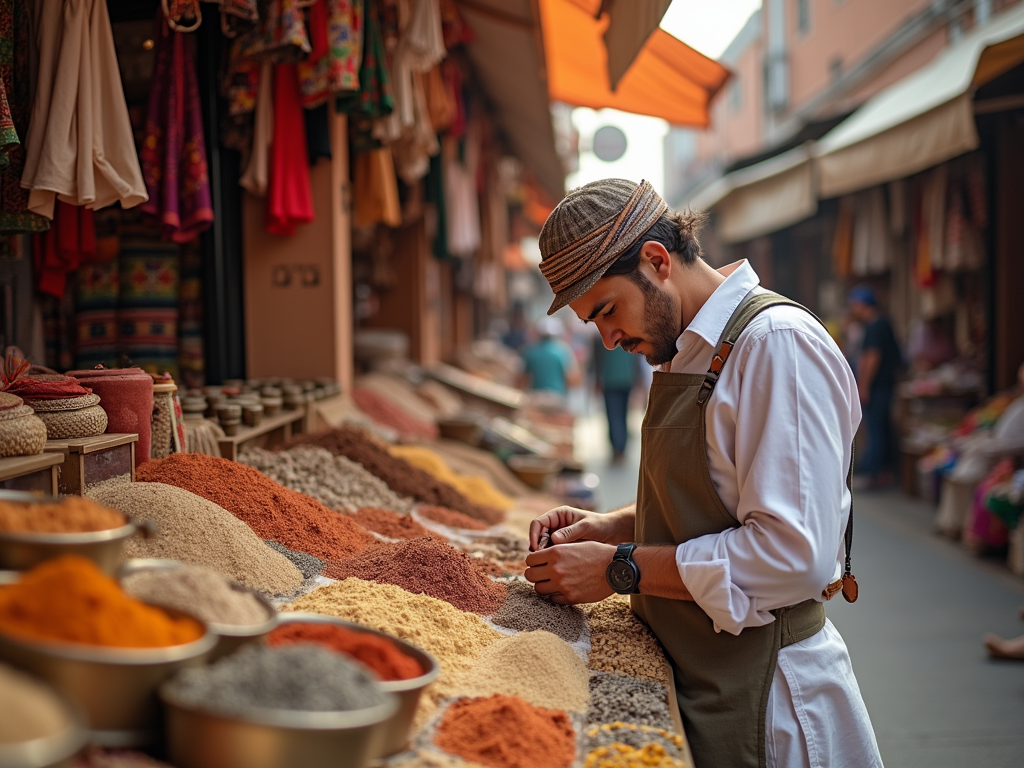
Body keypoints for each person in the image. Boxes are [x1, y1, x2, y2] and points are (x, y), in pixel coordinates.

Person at [523, 179, 881, 768]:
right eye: (594, 323)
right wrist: (613, 526)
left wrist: (623, 567)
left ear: (657, 261)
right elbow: (723, 503)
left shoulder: (774, 347)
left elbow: (794, 556)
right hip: (704, 676)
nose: (608, 339)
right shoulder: (686, 350)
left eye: (608, 310)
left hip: (773, 704)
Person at [848, 286, 901, 488]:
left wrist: (864, 385)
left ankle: (875, 473)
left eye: (855, 305)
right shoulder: (880, 324)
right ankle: (883, 471)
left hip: (878, 387)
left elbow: (872, 357)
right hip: (883, 385)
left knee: (876, 429)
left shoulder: (875, 326)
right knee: (881, 427)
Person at [592, 335, 639, 463]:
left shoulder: (602, 337)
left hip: (611, 381)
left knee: (614, 416)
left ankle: (618, 448)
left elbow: (597, 361)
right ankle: (620, 448)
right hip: (625, 380)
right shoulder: (628, 334)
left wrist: (597, 381)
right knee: (622, 415)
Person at [518, 317, 581, 397]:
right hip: (557, 396)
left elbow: (522, 378)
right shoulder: (563, 351)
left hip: (536, 396)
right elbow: (572, 379)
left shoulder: (530, 351)